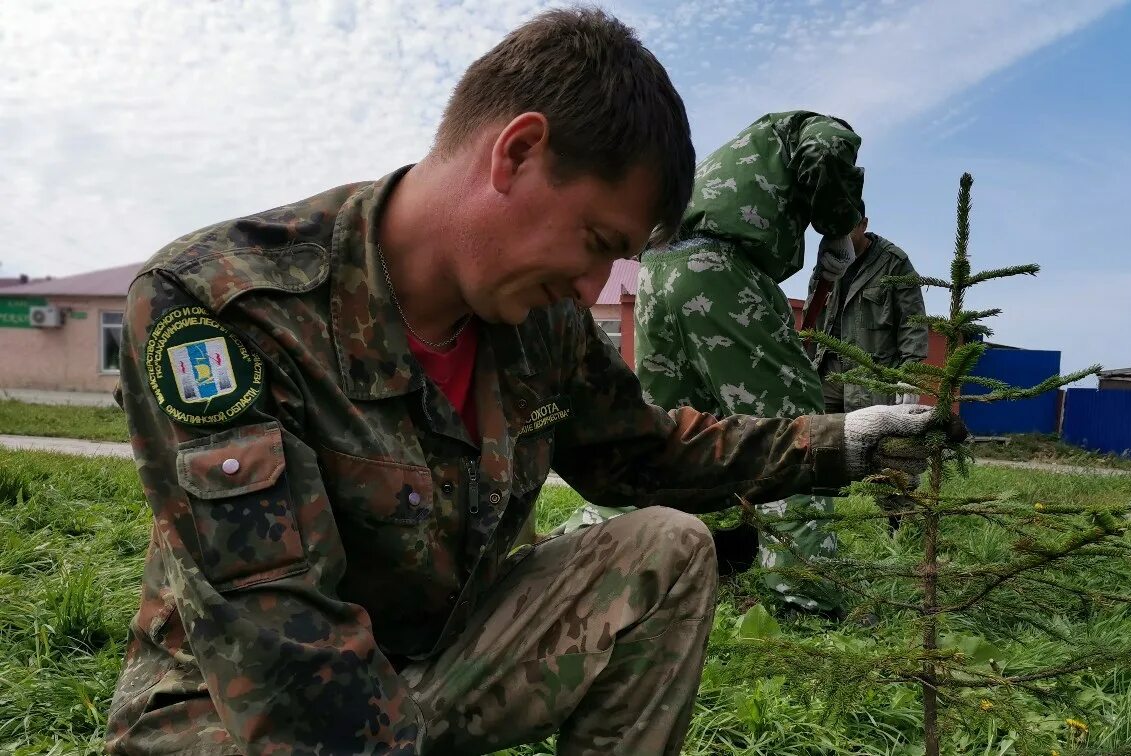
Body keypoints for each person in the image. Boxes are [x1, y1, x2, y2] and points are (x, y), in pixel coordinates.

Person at [104, 9, 954, 755]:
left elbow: (647, 455)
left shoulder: (539, 324)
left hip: (431, 671)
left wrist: (845, 439)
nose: (593, 289)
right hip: (237, 719)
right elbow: (280, 634)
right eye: (595, 241)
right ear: (517, 152)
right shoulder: (222, 305)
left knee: (668, 545)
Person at [566, 111, 864, 614]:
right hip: (717, 273)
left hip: (657, 274)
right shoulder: (807, 127)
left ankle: (584, 545)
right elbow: (830, 149)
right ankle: (803, 591)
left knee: (667, 434)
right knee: (794, 424)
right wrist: (837, 229)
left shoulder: (738, 159)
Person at [802, 207, 928, 412]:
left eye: (849, 228)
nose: (842, 236)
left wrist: (909, 374)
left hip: (871, 378)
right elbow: (811, 318)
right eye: (837, 229)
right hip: (826, 373)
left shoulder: (893, 263)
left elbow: (913, 321)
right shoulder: (829, 259)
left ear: (864, 224)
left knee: (867, 440)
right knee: (819, 437)